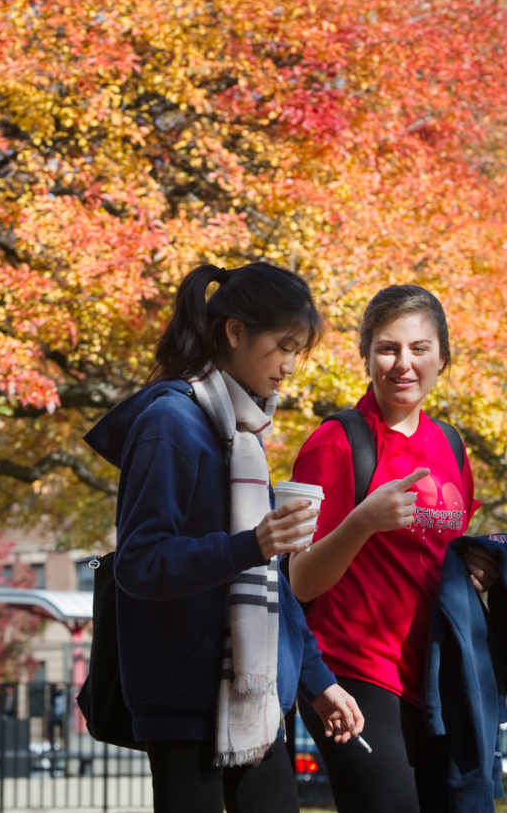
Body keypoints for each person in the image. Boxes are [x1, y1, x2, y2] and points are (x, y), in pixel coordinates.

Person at [83, 262, 364, 813]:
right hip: (184, 699)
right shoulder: (171, 424)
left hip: (256, 699)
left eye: (297, 351)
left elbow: (269, 583)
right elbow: (139, 562)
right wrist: (250, 544)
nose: (289, 367)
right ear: (235, 332)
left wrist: (318, 680)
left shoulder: (243, 435)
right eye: (283, 346)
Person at [286, 284, 502, 813]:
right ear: (366, 357)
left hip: (433, 676)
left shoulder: (450, 444)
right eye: (388, 348)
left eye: (419, 348)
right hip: (355, 672)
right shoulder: (337, 444)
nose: (403, 363)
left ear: (442, 358)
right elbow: (298, 581)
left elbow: (435, 559)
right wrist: (363, 522)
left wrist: (479, 571)